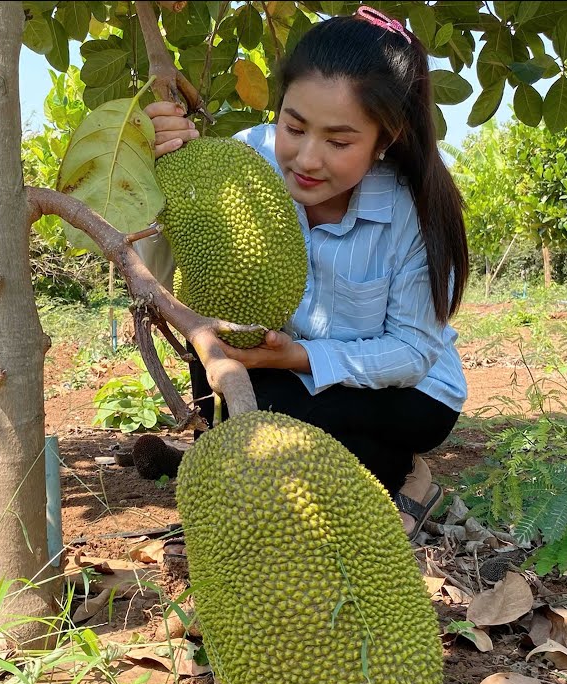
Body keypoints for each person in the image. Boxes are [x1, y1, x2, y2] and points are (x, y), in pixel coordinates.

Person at [139, 6, 469, 541]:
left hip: (405, 387)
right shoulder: (244, 159)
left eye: (339, 142)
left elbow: (412, 350)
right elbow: (173, 271)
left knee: (275, 420)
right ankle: (365, 472)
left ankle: (408, 474)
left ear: (384, 139)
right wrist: (156, 172)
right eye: (293, 126)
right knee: (229, 380)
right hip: (280, 362)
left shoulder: (414, 205)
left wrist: (299, 357)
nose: (307, 159)